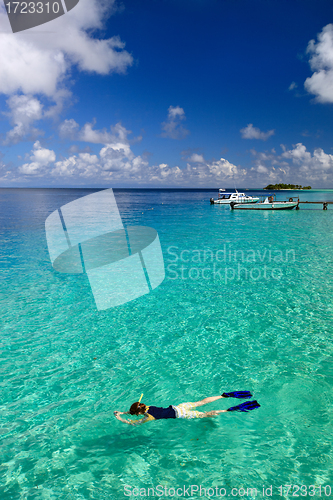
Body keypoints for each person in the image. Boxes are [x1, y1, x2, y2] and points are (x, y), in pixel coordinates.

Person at [114, 391, 260, 426]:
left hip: (182, 415)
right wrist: (124, 411)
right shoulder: (148, 406)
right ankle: (224, 396)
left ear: (139, 412)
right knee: (200, 402)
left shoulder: (149, 417)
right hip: (181, 406)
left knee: (205, 414)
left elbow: (134, 423)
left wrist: (121, 418)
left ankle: (229, 410)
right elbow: (136, 412)